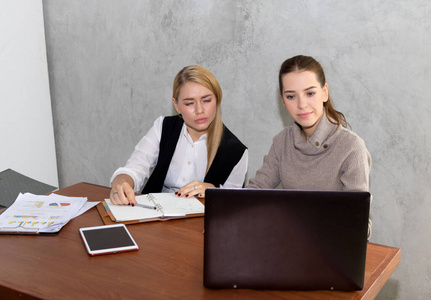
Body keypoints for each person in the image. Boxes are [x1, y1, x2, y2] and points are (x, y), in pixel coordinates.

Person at [110, 65, 248, 206]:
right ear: (177, 106)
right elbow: (136, 168)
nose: (199, 110)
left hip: (199, 224)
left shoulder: (236, 151)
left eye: (206, 100)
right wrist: (121, 181)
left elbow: (234, 204)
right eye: (189, 103)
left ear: (218, 100)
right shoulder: (163, 127)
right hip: (153, 216)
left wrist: (214, 192)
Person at [247, 55, 371, 192]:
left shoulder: (351, 147)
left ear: (325, 93)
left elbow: (356, 210)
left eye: (310, 93)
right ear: (283, 100)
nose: (302, 104)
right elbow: (255, 191)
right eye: (291, 96)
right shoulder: (282, 142)